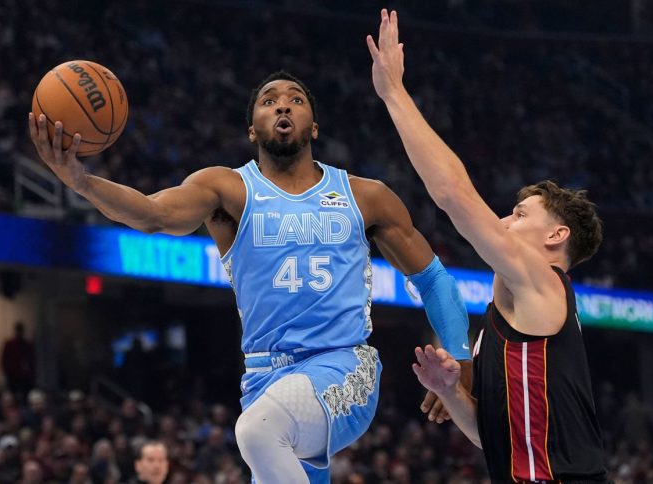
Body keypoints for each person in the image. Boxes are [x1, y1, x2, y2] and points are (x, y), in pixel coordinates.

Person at [28, 70, 471, 483]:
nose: (283, 107)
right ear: (252, 129)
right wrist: (81, 181)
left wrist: (460, 360)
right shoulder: (226, 190)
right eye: (269, 101)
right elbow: (153, 214)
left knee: (258, 432)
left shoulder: (366, 195)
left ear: (313, 126)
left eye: (295, 100)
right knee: (266, 432)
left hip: (344, 366)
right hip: (263, 378)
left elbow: (434, 280)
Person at [367, 10, 610, 483]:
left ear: (555, 237)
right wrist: (452, 391)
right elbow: (490, 434)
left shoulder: (544, 282)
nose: (502, 220)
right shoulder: (511, 320)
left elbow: (454, 196)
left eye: (520, 215)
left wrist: (394, 92)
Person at [0, 321, 36, 396]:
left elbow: (31, 361)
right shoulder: (11, 344)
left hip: (22, 376)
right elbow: (4, 360)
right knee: (14, 395)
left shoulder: (25, 345)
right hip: (15, 376)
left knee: (22, 395)